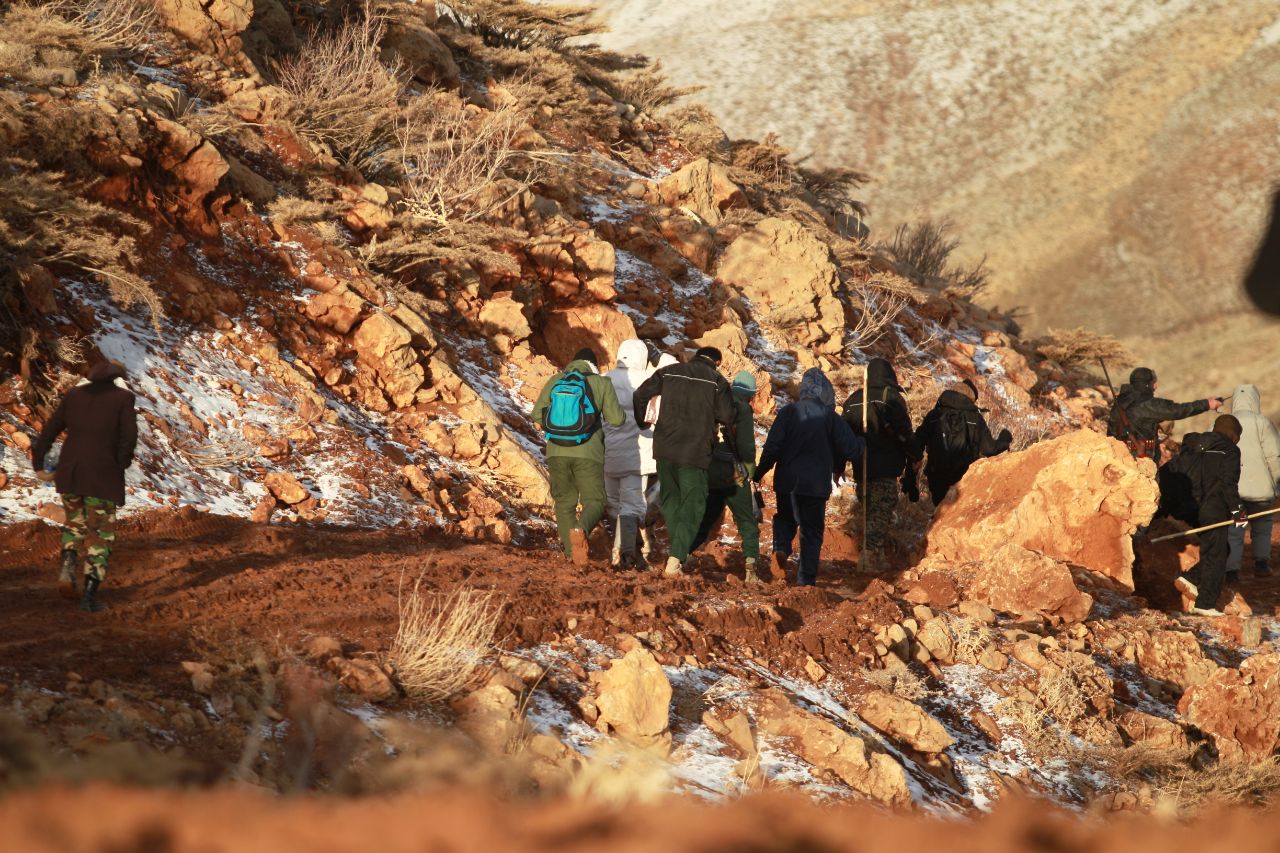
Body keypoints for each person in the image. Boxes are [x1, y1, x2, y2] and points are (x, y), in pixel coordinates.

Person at [30, 360, 138, 613]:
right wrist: (120, 463)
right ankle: (89, 597)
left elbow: (49, 430)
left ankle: (68, 568)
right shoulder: (122, 398)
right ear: (116, 379)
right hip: (102, 476)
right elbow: (129, 435)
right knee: (101, 536)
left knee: (75, 525)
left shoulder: (74, 395)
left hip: (70, 474)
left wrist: (39, 462)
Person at [754, 368, 863, 586]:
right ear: (826, 392)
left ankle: (781, 549)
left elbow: (773, 447)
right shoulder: (830, 417)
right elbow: (852, 450)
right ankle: (806, 580)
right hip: (815, 485)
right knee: (811, 531)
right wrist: (862, 440)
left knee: (785, 518)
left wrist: (759, 473)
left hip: (787, 481)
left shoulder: (787, 412)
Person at [633, 346, 734, 578]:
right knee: (694, 504)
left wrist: (643, 423)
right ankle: (677, 557)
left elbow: (640, 395)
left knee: (671, 499)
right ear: (716, 362)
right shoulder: (717, 380)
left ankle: (677, 550)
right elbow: (728, 416)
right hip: (695, 453)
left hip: (664, 448)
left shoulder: (669, 371)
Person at [531, 348, 625, 566]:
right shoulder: (601, 383)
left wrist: (557, 428)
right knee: (595, 500)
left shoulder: (556, 379)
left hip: (556, 452)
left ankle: (571, 556)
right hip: (589, 454)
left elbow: (537, 413)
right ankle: (580, 529)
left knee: (564, 502)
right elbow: (616, 419)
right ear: (594, 365)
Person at [841, 358, 921, 572]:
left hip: (861, 465)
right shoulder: (891, 398)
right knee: (882, 509)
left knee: (870, 509)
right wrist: (915, 454)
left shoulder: (853, 400)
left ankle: (877, 555)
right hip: (885, 466)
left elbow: (841, 434)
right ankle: (868, 556)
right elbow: (904, 432)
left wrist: (839, 463)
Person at [689, 371, 762, 582]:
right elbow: (746, 446)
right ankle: (751, 568)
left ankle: (681, 556)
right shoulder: (743, 409)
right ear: (750, 394)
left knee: (705, 519)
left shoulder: (714, 402)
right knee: (746, 520)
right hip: (734, 474)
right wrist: (749, 472)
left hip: (710, 471)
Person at [1171, 415, 1247, 616]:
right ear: (1233, 433)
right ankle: (1205, 604)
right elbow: (1227, 483)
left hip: (1191, 506)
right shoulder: (1230, 450)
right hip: (1214, 507)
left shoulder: (1196, 444)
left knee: (1219, 548)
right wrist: (1238, 511)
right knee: (1217, 554)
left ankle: (1192, 578)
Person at [916, 379, 1012, 505]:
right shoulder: (975, 418)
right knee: (956, 513)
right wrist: (1004, 439)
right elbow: (990, 449)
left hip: (936, 476)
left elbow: (916, 443)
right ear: (971, 398)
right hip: (963, 479)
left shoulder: (934, 415)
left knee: (940, 511)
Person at [603, 339, 654, 570]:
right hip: (639, 454)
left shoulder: (605, 379)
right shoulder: (648, 381)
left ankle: (620, 552)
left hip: (609, 453)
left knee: (613, 503)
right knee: (632, 505)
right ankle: (626, 553)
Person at [1107, 367, 1221, 463]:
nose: (1155, 387)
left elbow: (1111, 431)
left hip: (1118, 455)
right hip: (1141, 458)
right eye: (1153, 383)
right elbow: (1178, 410)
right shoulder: (1148, 404)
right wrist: (1207, 404)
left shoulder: (1120, 401)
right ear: (1147, 385)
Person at [1226, 384, 1280, 580]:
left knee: (1235, 527)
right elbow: (1274, 456)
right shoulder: (1263, 422)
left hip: (1234, 490)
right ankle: (1262, 564)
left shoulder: (1224, 422)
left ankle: (1231, 571)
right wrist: (1276, 483)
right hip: (1261, 489)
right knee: (1263, 524)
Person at [640, 352, 679, 560]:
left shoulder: (646, 386)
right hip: (664, 455)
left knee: (644, 499)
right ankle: (654, 543)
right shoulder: (676, 393)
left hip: (642, 454)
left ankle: (646, 542)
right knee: (662, 502)